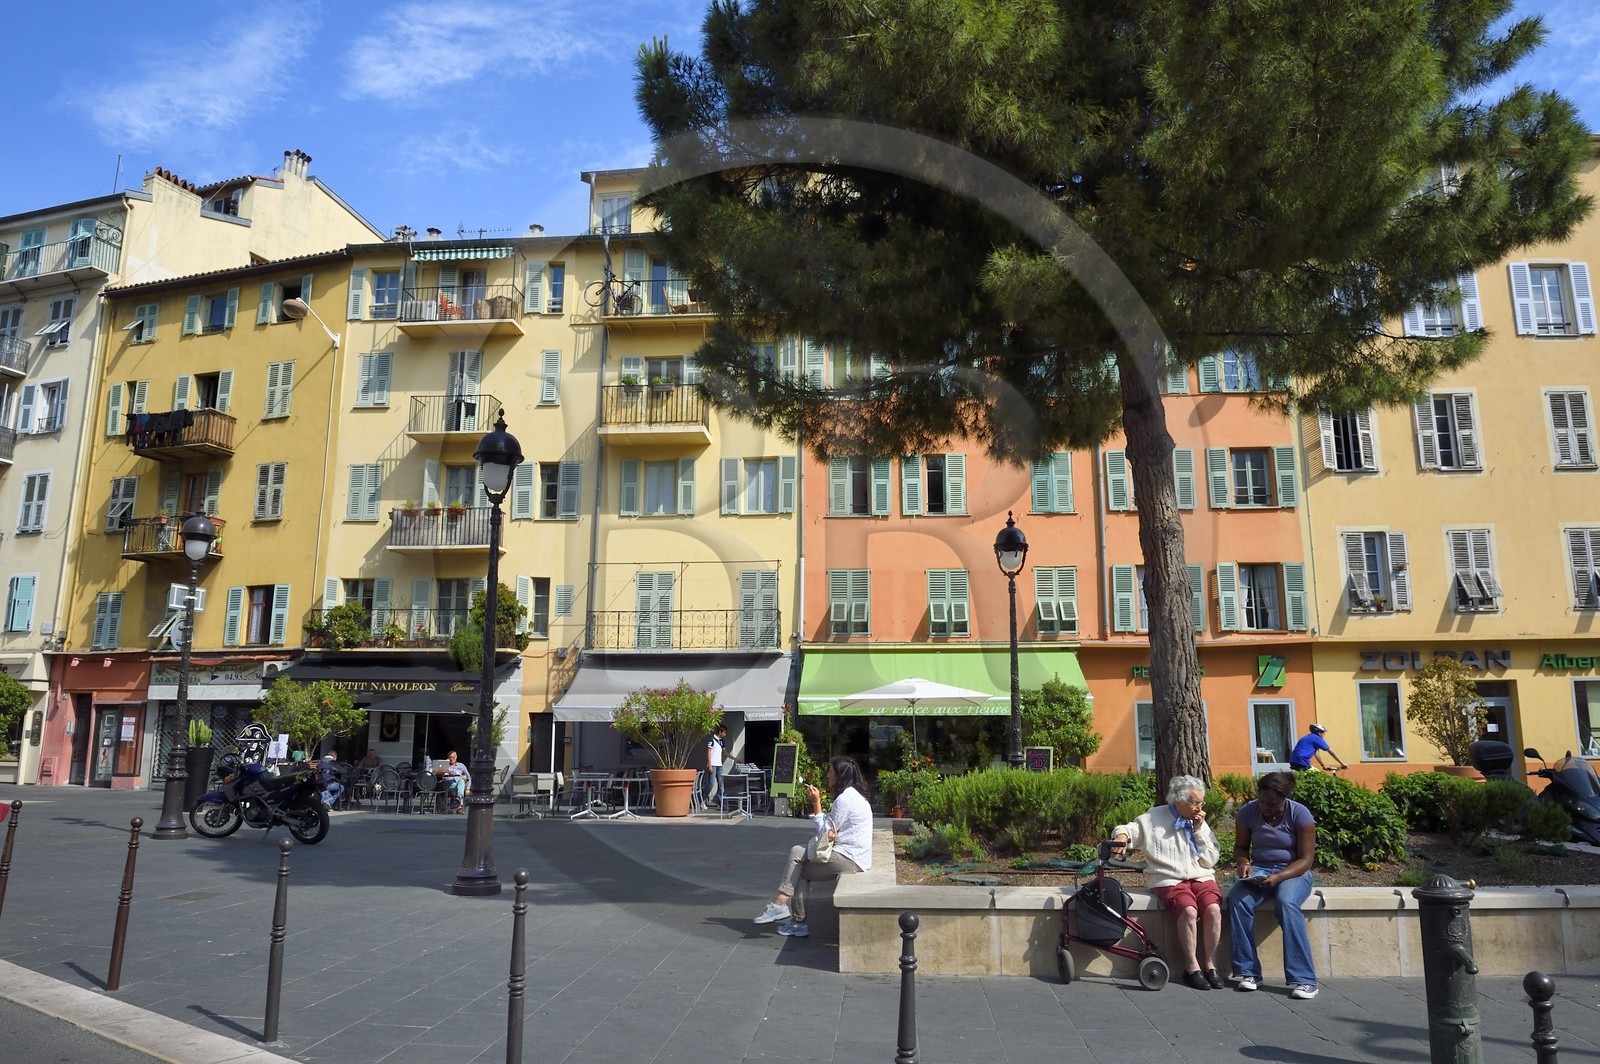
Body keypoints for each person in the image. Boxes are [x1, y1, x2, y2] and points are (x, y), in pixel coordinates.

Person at [1110, 775, 1223, 990]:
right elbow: (1127, 829)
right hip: (1168, 877)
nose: (1200, 807)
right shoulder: (1153, 818)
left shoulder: (1199, 820)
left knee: (1213, 909)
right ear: (1178, 801)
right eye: (1195, 803)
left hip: (1200, 875)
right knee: (1189, 911)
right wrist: (1122, 836)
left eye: (1201, 802)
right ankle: (1192, 968)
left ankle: (1211, 965)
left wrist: (1199, 831)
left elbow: (1211, 859)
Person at [753, 756, 873, 939]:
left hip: (849, 859)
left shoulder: (845, 799)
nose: (827, 775)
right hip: (854, 856)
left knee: (797, 863)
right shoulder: (853, 795)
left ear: (839, 775)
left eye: (830, 771)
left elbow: (825, 832)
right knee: (798, 863)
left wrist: (816, 803)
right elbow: (832, 829)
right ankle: (787, 912)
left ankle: (785, 910)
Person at [1228, 770, 1320, 999]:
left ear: (1284, 799)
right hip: (1260, 870)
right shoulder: (1248, 812)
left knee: (1286, 902)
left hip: (1294, 871)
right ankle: (1249, 973)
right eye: (1262, 802)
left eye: (1273, 804)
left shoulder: (1300, 814)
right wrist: (1243, 864)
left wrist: (1279, 878)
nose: (1266, 808)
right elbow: (1240, 848)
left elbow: (1306, 860)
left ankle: (1305, 979)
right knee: (1237, 900)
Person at [704, 724, 728, 804]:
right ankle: (702, 800)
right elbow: (708, 753)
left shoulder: (721, 741)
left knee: (721, 784)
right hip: (713, 764)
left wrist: (735, 759)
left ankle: (721, 803)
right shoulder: (712, 740)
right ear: (720, 732)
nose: (725, 734)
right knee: (711, 783)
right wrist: (710, 765)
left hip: (719, 765)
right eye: (724, 732)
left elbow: (725, 752)